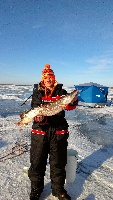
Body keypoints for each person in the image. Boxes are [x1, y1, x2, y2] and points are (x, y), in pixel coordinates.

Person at [28, 64, 78, 200]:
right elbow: (36, 108)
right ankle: (36, 190)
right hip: (40, 133)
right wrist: (39, 118)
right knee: (37, 162)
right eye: (46, 78)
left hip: (58, 132)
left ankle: (58, 190)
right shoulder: (37, 93)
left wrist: (73, 99)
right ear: (43, 80)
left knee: (58, 163)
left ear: (53, 78)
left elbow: (69, 106)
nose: (48, 80)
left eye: (50, 77)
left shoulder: (61, 92)